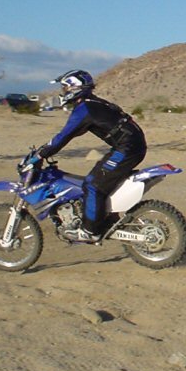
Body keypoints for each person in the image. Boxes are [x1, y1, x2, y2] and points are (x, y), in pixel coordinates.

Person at [32, 70, 147, 243]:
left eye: (65, 87)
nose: (63, 92)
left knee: (93, 184)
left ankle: (90, 230)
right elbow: (74, 132)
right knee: (103, 180)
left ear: (75, 87)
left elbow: (63, 136)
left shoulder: (84, 109)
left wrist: (41, 153)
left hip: (127, 148)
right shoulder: (91, 104)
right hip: (130, 146)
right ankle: (106, 218)